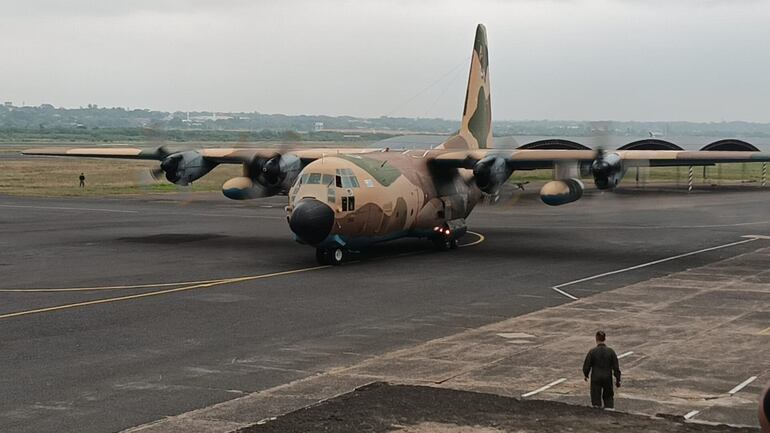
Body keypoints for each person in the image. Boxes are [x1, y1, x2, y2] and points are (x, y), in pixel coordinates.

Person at [583, 330, 621, 409]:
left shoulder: (592, 352)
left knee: (596, 399)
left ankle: (597, 415)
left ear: (596, 339)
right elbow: (616, 368)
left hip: (596, 378)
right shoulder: (611, 352)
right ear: (605, 339)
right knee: (608, 397)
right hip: (607, 377)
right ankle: (609, 412)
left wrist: (586, 375)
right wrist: (618, 380)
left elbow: (587, 365)